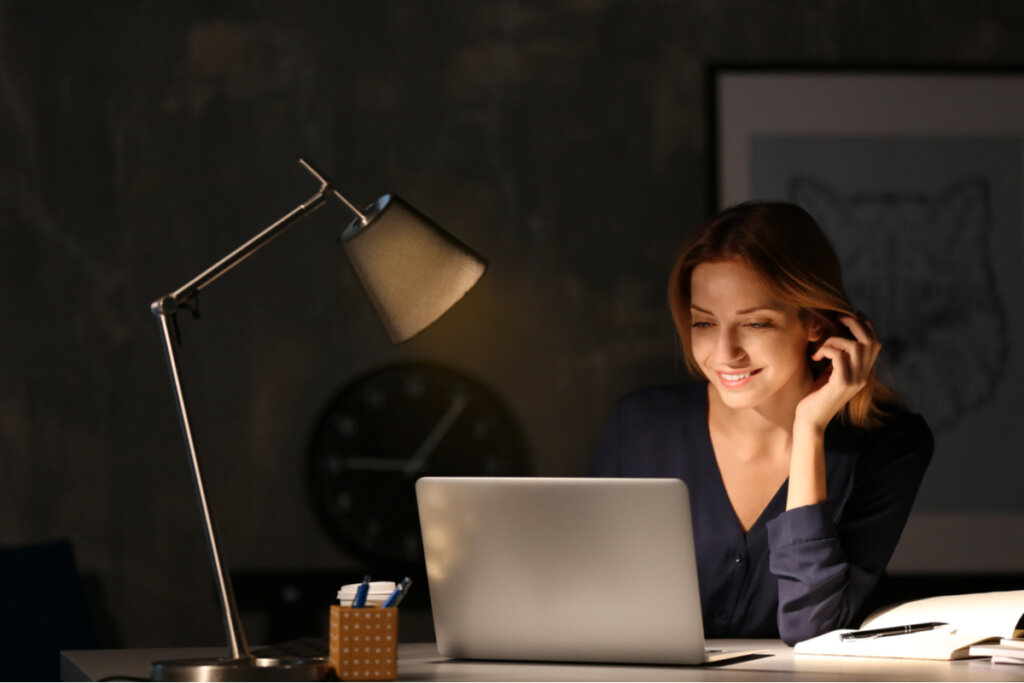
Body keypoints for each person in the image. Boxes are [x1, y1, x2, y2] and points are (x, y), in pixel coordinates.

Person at [588, 200, 933, 645]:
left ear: (815, 322)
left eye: (755, 324)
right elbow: (585, 600)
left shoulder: (890, 447)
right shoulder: (638, 426)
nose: (725, 352)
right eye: (705, 323)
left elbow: (814, 631)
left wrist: (809, 429)